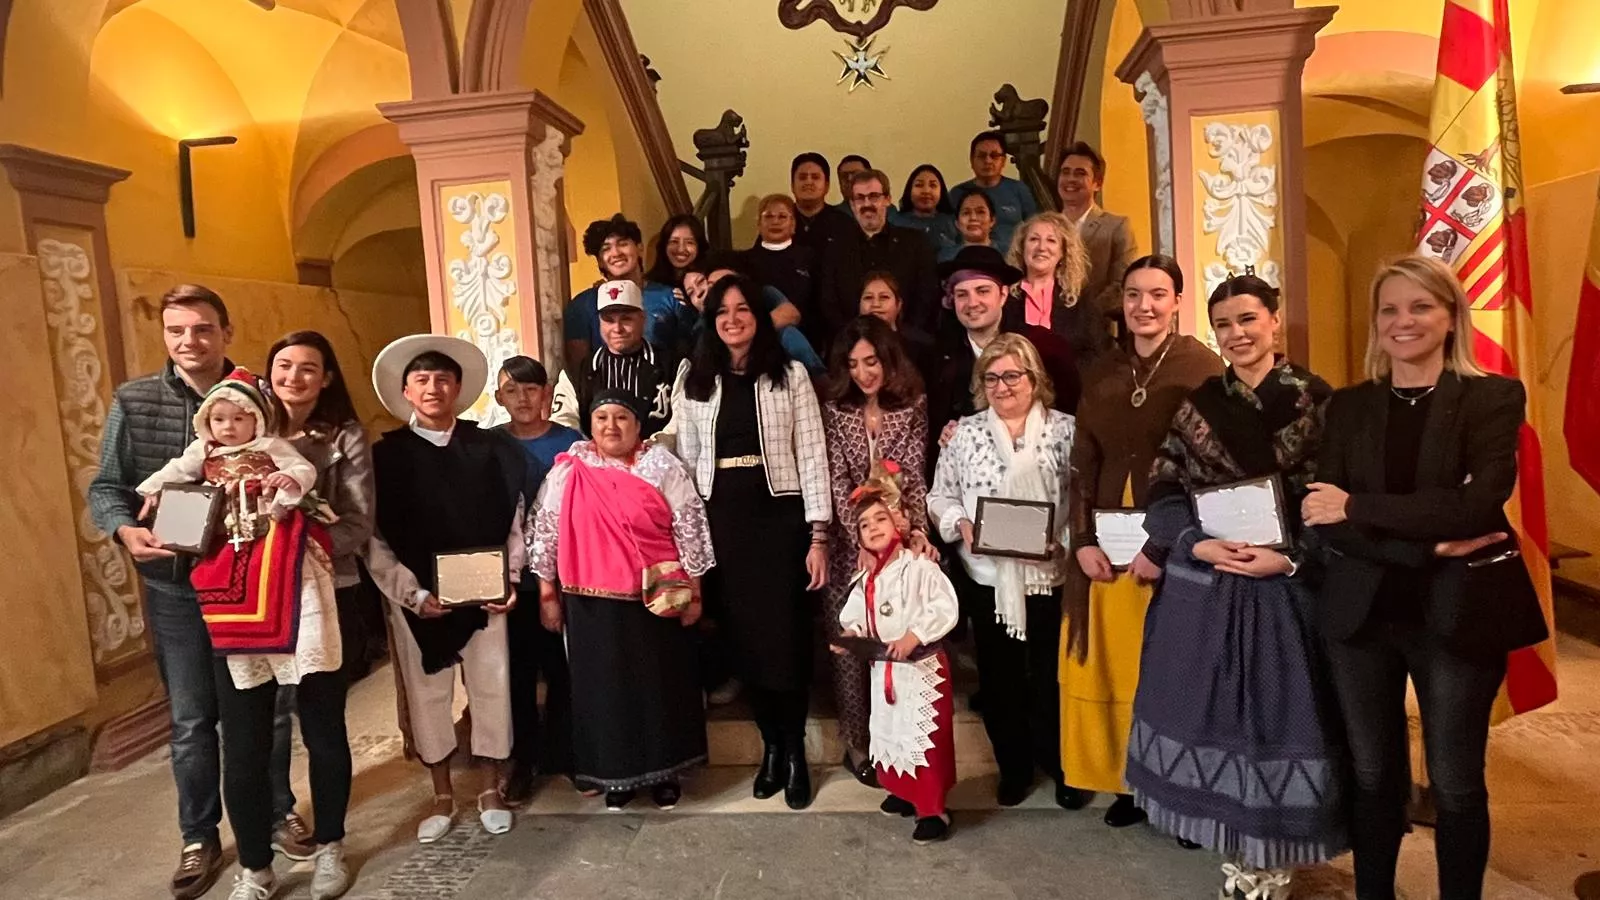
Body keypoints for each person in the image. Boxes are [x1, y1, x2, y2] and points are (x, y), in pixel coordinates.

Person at [1302, 255, 1548, 900]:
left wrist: (1359, 505)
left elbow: (1476, 505)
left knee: (1456, 780)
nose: (1403, 321)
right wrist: (1428, 543)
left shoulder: (1493, 396)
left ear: (1450, 316)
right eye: (1389, 309)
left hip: (1459, 611)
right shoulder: (1349, 407)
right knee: (1374, 773)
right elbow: (1321, 515)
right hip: (1361, 615)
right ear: (1376, 323)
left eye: (1420, 307)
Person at [1124, 275, 1345, 899]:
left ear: (1275, 320)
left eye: (1248, 319)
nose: (1237, 334)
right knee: (1215, 721)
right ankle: (1242, 861)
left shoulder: (1319, 402)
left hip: (1288, 593)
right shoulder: (1198, 405)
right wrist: (1196, 543)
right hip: (1210, 592)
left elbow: (1338, 503)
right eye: (1223, 325)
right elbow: (1161, 496)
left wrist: (1295, 558)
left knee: (1281, 726)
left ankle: (1280, 859)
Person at [136, 369, 344, 900]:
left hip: (294, 580)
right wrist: (153, 494)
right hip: (232, 586)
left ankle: (331, 848)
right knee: (245, 743)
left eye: (239, 416)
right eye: (220, 419)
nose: (230, 427)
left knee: (322, 728)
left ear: (257, 417)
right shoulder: (199, 454)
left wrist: (286, 485)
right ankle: (254, 865)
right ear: (208, 424)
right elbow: (167, 476)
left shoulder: (275, 447)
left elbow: (301, 472)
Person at [1060, 255, 1223, 826]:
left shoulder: (1203, 368)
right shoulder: (1102, 370)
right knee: (1116, 671)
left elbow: (1210, 466)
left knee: (1175, 671)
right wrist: (1081, 539)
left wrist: (1163, 547)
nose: (1144, 306)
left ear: (1177, 300)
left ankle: (1179, 794)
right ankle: (1129, 783)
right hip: (1105, 546)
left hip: (1176, 546)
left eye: (1158, 294)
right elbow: (1083, 461)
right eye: (1133, 295)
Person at [88, 283, 236, 899]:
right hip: (174, 586)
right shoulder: (136, 399)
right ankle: (199, 836)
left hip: (245, 581)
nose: (189, 342)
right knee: (193, 718)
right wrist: (125, 531)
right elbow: (106, 486)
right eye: (176, 331)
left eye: (201, 329)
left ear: (225, 332)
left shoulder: (254, 395)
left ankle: (277, 809)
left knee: (266, 712)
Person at [664, 274, 831, 810]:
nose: (732, 319)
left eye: (743, 309)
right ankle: (771, 749)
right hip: (723, 520)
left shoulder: (790, 373)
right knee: (746, 643)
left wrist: (819, 533)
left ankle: (796, 752)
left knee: (785, 640)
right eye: (721, 311)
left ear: (759, 318)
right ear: (710, 321)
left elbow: (812, 455)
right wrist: (686, 537)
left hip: (779, 517)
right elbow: (687, 461)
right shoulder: (693, 375)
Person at [363, 335, 532, 843]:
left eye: (443, 379)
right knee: (427, 694)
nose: (433, 388)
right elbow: (371, 535)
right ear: (406, 391)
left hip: (486, 595)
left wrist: (511, 578)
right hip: (418, 600)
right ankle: (440, 793)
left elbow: (517, 518)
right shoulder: (384, 457)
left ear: (458, 388)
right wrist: (411, 595)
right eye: (422, 380)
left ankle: (490, 789)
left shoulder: (492, 448)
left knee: (490, 688)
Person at [529, 389, 715, 811]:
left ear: (638, 425)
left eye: (621, 418)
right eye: (602, 419)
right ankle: (615, 776)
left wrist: (696, 594)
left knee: (659, 687)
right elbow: (546, 531)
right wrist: (546, 593)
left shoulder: (662, 466)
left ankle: (666, 775)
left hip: (657, 595)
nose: (611, 427)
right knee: (605, 692)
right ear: (590, 426)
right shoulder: (569, 471)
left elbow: (690, 526)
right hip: (591, 604)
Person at [927, 333, 1075, 807]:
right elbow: (939, 496)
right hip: (988, 578)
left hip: (1051, 575)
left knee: (1052, 678)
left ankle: (1062, 765)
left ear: (1035, 379)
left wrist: (1062, 542)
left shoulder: (1066, 430)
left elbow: (1085, 501)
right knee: (1000, 681)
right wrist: (962, 525)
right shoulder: (964, 433)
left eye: (1013, 375)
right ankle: (1013, 768)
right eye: (991, 377)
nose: (1002, 386)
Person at [263, 331, 374, 890]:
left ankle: (331, 843)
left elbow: (357, 521)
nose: (295, 377)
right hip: (255, 597)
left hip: (328, 592)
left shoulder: (343, 436)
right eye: (284, 365)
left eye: (309, 368)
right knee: (262, 724)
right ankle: (268, 837)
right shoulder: (242, 428)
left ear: (327, 377)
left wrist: (299, 550)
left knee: (324, 725)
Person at [821, 316, 931, 787]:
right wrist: (860, 539)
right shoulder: (835, 409)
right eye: (855, 364)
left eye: (872, 361)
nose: (865, 373)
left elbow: (914, 474)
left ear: (888, 361)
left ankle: (899, 742)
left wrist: (916, 532)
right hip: (850, 549)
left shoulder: (913, 405)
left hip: (899, 543)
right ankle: (857, 743)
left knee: (897, 644)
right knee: (850, 648)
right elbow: (836, 479)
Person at [837, 473, 959, 844]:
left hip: (922, 671)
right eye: (864, 524)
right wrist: (852, 633)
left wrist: (914, 635)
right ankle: (904, 791)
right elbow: (857, 612)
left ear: (898, 523)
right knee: (892, 732)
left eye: (880, 519)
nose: (872, 527)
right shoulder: (867, 577)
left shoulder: (919, 567)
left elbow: (944, 606)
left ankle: (933, 810)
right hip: (887, 670)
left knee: (925, 739)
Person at [491, 356, 579, 805]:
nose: (523, 399)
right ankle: (522, 759)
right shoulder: (488, 445)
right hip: (510, 584)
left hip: (570, 577)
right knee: (518, 675)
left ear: (547, 394)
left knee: (566, 670)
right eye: (512, 390)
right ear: (498, 398)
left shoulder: (573, 443)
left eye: (531, 389)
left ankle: (567, 753)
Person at [927, 246, 1081, 460]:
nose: (972, 303)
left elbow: (1068, 412)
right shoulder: (937, 356)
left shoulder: (1045, 347)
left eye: (982, 291)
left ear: (1003, 295)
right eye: (962, 294)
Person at [820, 168, 941, 342]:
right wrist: (854, 339)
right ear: (852, 204)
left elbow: (927, 296)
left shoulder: (916, 243)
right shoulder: (835, 248)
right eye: (860, 198)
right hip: (851, 345)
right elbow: (829, 303)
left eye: (874, 196)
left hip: (907, 345)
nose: (867, 203)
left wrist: (903, 337)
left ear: (887, 200)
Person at [563, 215, 691, 375]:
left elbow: (687, 358)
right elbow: (580, 371)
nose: (615, 252)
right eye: (606, 248)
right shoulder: (582, 306)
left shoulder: (671, 297)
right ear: (600, 261)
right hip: (605, 395)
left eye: (623, 244)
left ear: (640, 248)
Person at [1004, 212, 1111, 375]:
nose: (1041, 247)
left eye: (1051, 241)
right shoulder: (1005, 297)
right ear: (1022, 247)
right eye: (1034, 239)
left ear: (1063, 252)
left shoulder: (1080, 299)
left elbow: (1097, 351)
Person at [566, 280, 675, 439]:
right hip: (595, 461)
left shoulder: (673, 365)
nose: (617, 329)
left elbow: (682, 423)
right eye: (609, 320)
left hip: (658, 459)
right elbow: (565, 422)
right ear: (599, 323)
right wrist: (594, 453)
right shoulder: (579, 371)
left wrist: (650, 450)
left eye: (626, 319)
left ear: (643, 319)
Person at [1056, 142, 1138, 319]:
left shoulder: (1116, 226)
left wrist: (1086, 315)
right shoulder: (1044, 228)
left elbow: (1122, 284)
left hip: (1097, 325)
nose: (1070, 179)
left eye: (1080, 173)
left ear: (1097, 183)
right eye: (1065, 172)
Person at [741, 193, 821, 345]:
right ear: (759, 224)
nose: (775, 221)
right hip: (759, 340)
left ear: (793, 225)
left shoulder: (810, 258)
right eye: (768, 216)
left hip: (805, 337)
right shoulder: (744, 262)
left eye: (782, 216)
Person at [951, 131, 1039, 255]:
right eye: (982, 156)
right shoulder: (957, 193)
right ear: (971, 160)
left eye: (994, 155)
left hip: (1011, 260)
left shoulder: (1019, 189)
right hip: (968, 259)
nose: (988, 161)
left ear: (1003, 161)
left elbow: (1035, 227)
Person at [859, 271, 937, 382]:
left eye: (884, 297)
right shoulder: (847, 343)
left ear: (898, 304)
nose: (875, 304)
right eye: (868, 298)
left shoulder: (921, 346)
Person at [790, 152, 857, 253]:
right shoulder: (778, 220)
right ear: (792, 186)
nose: (809, 182)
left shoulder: (843, 224)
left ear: (826, 186)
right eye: (802, 177)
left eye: (815, 177)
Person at [891, 164, 960, 257]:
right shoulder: (896, 222)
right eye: (919, 185)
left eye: (933, 185)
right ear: (909, 190)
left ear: (941, 191)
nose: (926, 191)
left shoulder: (953, 223)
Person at [645, 214, 709, 289]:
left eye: (689, 242)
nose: (681, 249)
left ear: (699, 247)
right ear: (664, 245)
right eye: (674, 241)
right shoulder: (649, 286)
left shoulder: (709, 282)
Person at [939, 190, 999, 264]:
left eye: (980, 212)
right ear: (957, 223)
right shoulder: (946, 257)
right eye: (966, 213)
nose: (973, 218)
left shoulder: (1007, 253)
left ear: (992, 220)